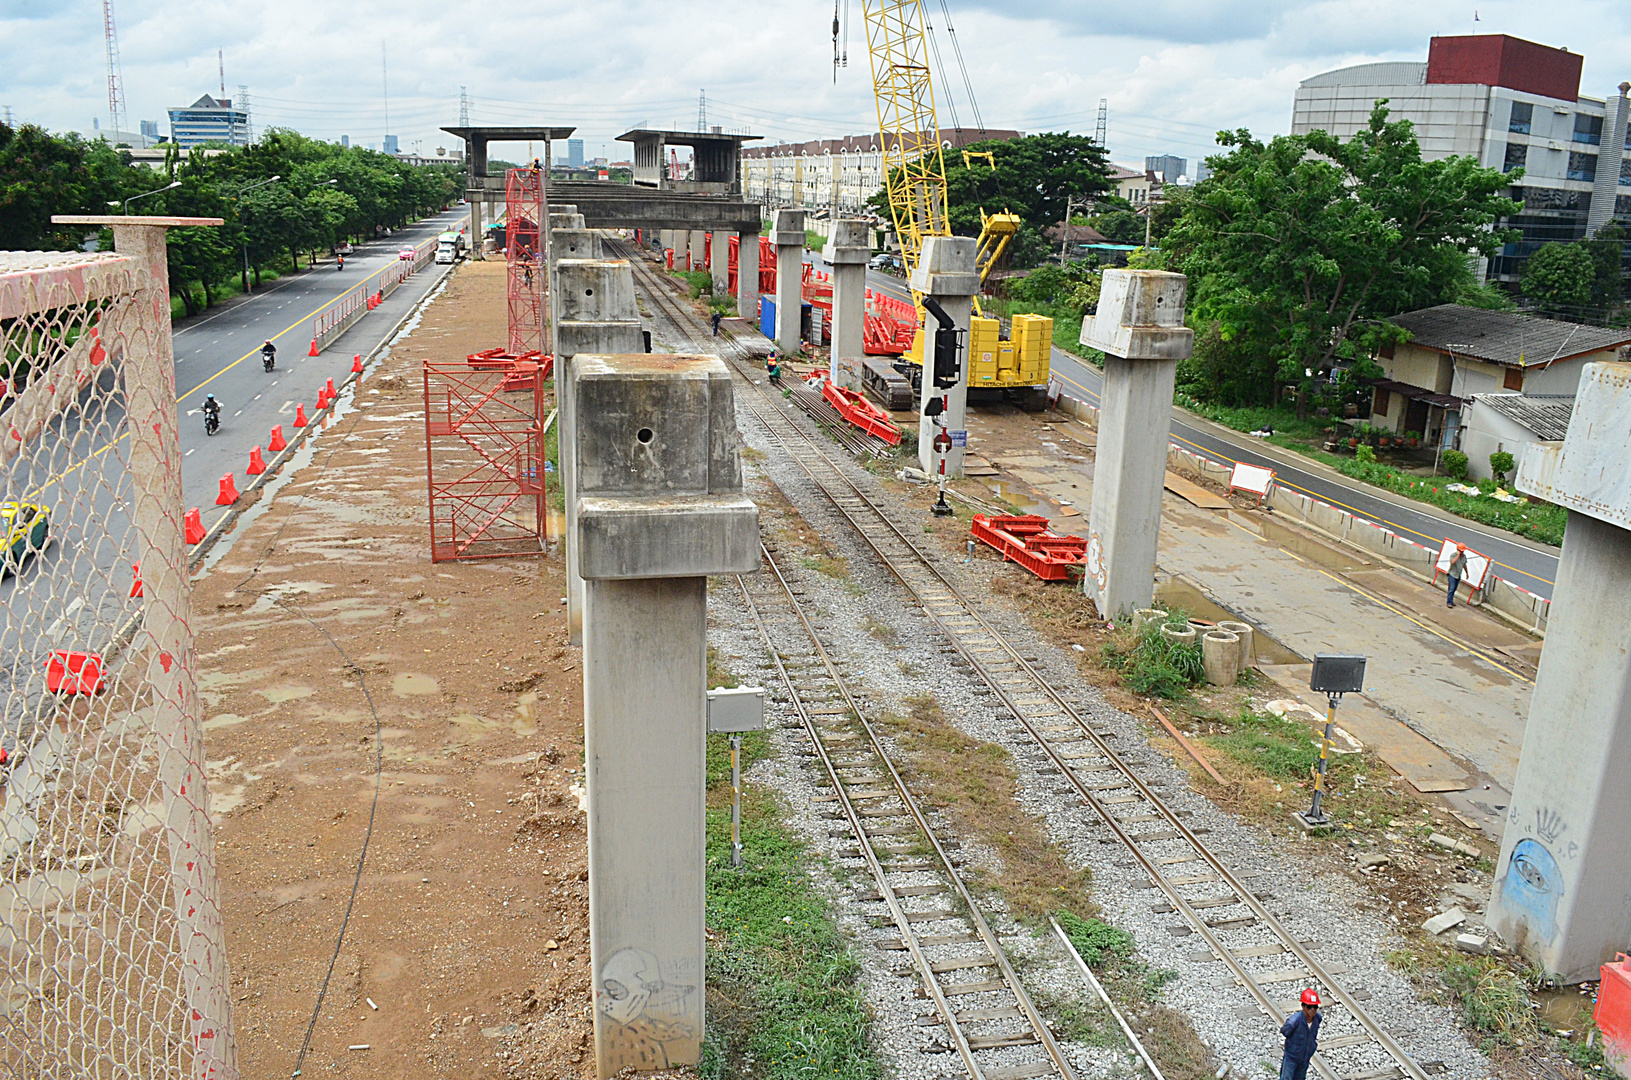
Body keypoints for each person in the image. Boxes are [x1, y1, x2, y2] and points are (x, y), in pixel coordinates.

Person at [1279, 989, 1321, 1080]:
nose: (1313, 1010)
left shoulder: (1317, 1018)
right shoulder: (1294, 1022)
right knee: (1287, 1077)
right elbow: (1285, 1031)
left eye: (1315, 1006)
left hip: (1305, 1056)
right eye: (1309, 1006)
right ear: (1303, 1006)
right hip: (1292, 1057)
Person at [1447, 542, 1469, 608]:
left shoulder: (1464, 557)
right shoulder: (1453, 555)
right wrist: (1458, 555)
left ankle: (1451, 600)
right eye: (1461, 551)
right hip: (1452, 575)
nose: (1463, 553)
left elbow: (1464, 564)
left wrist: (1467, 573)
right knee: (1451, 588)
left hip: (1458, 575)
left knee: (1454, 589)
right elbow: (1452, 562)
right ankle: (1449, 602)